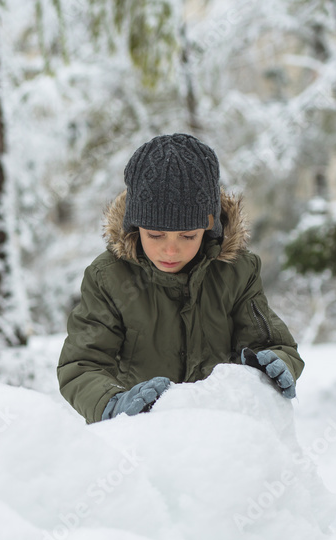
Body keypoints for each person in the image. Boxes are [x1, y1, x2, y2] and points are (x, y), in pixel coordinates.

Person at [57, 133, 304, 423]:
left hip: (221, 429)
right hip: (141, 433)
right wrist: (113, 403)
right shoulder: (109, 278)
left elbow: (274, 345)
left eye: (188, 235)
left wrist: (276, 365)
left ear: (208, 228)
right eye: (156, 235)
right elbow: (82, 364)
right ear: (135, 226)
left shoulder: (237, 272)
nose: (171, 249)